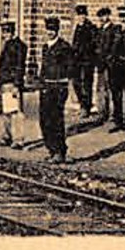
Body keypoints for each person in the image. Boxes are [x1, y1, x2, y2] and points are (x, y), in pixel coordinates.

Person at [35, 16, 74, 162]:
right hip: (46, 87)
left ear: (57, 30)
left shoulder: (64, 47)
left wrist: (65, 80)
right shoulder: (45, 47)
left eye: (53, 30)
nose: (50, 32)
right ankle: (51, 149)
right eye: (48, 29)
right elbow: (43, 68)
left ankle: (60, 151)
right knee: (44, 119)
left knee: (56, 119)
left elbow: (71, 67)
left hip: (58, 87)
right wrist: (41, 83)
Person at [0, 19, 27, 147]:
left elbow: (20, 67)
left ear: (12, 32)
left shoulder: (18, 46)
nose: (5, 35)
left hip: (11, 83)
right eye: (4, 32)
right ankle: (7, 136)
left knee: (15, 111)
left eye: (7, 32)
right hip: (4, 82)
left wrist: (17, 84)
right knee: (5, 111)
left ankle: (18, 139)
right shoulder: (5, 45)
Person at [69, 4, 99, 120]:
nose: (81, 17)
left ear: (86, 15)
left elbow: (92, 44)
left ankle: (86, 108)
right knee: (76, 83)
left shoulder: (91, 28)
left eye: (83, 15)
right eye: (79, 15)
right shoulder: (78, 27)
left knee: (87, 84)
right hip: (77, 60)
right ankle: (82, 104)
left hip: (87, 60)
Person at [92, 6, 115, 116]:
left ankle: (111, 112)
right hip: (100, 64)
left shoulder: (114, 30)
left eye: (104, 16)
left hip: (109, 64)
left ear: (108, 16)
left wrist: (109, 59)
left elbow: (113, 47)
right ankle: (102, 111)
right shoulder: (99, 30)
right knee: (100, 87)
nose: (102, 18)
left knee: (109, 87)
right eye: (100, 16)